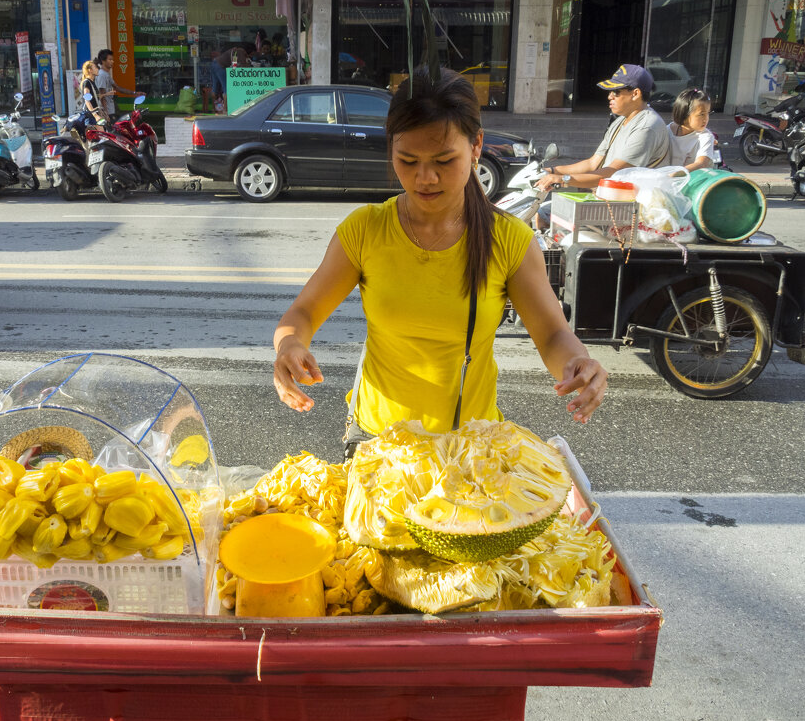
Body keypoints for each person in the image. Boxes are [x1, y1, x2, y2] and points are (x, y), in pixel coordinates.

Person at [273, 67, 608, 457]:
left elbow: (552, 334)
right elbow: (304, 310)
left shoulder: (509, 239)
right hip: (379, 442)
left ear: (476, 146)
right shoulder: (365, 230)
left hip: (468, 446)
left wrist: (578, 364)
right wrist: (289, 346)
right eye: (408, 160)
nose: (425, 178)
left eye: (444, 160)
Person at [535, 64, 670, 193]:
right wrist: (552, 171)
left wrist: (563, 179)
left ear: (635, 94)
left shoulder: (646, 127)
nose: (609, 96)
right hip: (611, 196)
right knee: (544, 212)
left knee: (547, 212)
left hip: (635, 207)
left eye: (616, 92)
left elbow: (614, 173)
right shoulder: (621, 121)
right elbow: (592, 163)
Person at [668, 88, 719, 171]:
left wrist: (675, 175)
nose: (706, 118)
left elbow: (701, 163)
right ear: (684, 114)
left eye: (708, 113)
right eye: (701, 114)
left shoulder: (706, 137)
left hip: (693, 181)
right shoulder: (667, 132)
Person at [94, 48, 136, 121]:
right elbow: (102, 95)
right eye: (110, 60)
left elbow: (117, 87)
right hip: (107, 112)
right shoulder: (101, 75)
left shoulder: (106, 74)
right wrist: (106, 114)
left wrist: (134, 93)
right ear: (103, 61)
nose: (112, 62)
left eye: (112, 60)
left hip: (111, 110)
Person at [209, 46, 249, 112]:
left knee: (215, 88)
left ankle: (214, 108)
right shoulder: (241, 52)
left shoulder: (235, 50)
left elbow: (234, 65)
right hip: (221, 67)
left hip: (214, 63)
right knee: (227, 89)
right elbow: (242, 67)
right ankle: (225, 110)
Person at [79, 60, 106, 126]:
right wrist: (95, 115)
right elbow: (87, 100)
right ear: (90, 70)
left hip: (94, 114)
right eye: (95, 67)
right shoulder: (87, 82)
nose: (97, 69)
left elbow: (95, 97)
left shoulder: (92, 82)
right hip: (90, 116)